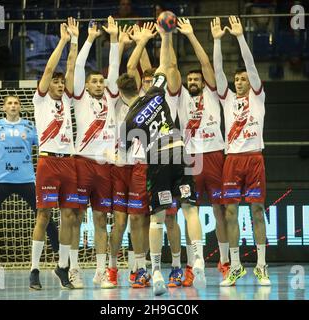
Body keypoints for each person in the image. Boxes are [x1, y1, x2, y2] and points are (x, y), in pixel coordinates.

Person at [118, 25, 206, 296]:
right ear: (139, 85)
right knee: (190, 209)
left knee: (157, 219)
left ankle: (155, 270)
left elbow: (125, 152)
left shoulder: (128, 121)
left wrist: (138, 43)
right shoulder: (156, 94)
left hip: (157, 158)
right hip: (179, 148)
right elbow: (166, 66)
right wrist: (164, 36)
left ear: (123, 95)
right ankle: (199, 258)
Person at [0, 95, 59, 275]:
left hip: (26, 180)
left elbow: (46, 146)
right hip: (2, 180)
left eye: (16, 103)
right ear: (4, 108)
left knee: (46, 216)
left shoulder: (30, 126)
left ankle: (62, 259)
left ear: (20, 107)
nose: (13, 105)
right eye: (9, 103)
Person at [211, 16, 271, 286]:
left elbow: (250, 66)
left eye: (243, 79)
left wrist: (239, 37)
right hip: (232, 160)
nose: (238, 81)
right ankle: (235, 265)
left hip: (254, 158)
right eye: (236, 79)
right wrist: (216, 41)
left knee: (257, 211)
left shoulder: (258, 96)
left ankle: (261, 265)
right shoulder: (227, 99)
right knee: (230, 213)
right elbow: (218, 70)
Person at [125, 23, 184, 288]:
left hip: (167, 156)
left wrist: (161, 38)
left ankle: (176, 267)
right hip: (143, 163)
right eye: (145, 80)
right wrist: (146, 40)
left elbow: (166, 66)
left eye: (151, 79)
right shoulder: (137, 105)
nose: (149, 81)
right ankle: (141, 268)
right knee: (139, 217)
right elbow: (131, 71)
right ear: (141, 84)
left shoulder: (165, 92)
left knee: (170, 215)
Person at [175, 18, 230, 284]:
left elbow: (208, 64)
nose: (194, 80)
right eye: (191, 78)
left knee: (221, 210)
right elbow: (172, 71)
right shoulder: (182, 97)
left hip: (215, 154)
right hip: (191, 158)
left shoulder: (212, 94)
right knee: (188, 210)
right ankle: (191, 265)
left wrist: (190, 36)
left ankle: (225, 262)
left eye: (197, 77)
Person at [29, 17, 79, 290]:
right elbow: (50, 67)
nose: (60, 85)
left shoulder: (68, 98)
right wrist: (61, 40)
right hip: (48, 161)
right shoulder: (41, 98)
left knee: (69, 215)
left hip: (69, 163)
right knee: (44, 215)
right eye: (56, 82)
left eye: (62, 83)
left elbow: (71, 66)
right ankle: (34, 269)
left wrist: (75, 40)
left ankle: (62, 267)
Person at [107, 23, 157, 288]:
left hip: (140, 166)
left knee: (138, 218)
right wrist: (133, 43)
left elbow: (145, 72)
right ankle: (112, 269)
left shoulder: (146, 99)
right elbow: (125, 70)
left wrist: (142, 43)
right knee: (120, 220)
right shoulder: (114, 99)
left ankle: (139, 269)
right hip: (117, 166)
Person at [72, 16, 119, 289]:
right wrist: (88, 38)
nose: (100, 84)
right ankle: (75, 269)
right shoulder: (80, 97)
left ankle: (101, 271)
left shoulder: (111, 98)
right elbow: (79, 66)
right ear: (87, 85)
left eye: (102, 81)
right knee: (77, 217)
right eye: (95, 82)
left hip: (105, 166)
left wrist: (114, 39)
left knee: (101, 218)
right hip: (82, 163)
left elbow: (114, 68)